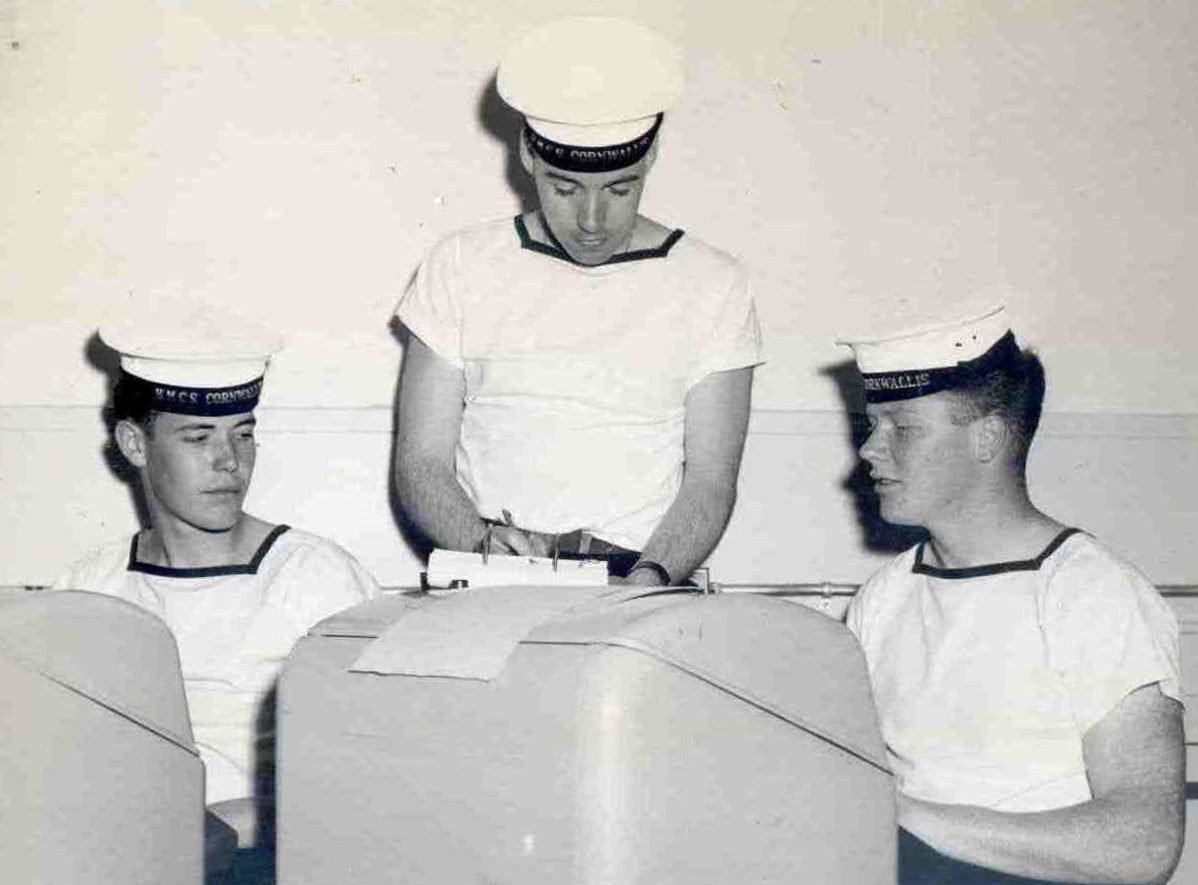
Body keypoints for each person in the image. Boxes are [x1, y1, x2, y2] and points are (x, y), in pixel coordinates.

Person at [394, 17, 763, 587]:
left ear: (651, 155)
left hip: (641, 577)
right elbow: (421, 464)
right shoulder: (461, 263)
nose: (592, 221)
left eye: (619, 188)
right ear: (528, 154)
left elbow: (711, 483)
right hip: (491, 574)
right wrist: (480, 547)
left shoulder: (714, 282)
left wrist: (647, 583)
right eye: (565, 189)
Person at [839, 305, 1184, 884]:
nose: (871, 450)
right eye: (873, 426)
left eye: (903, 427)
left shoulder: (1092, 593)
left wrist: (899, 815)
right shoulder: (884, 597)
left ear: (989, 437)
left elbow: (1143, 844)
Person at [55, 316, 380, 863]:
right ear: (134, 444)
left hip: (270, 859)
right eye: (199, 437)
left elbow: (376, 768)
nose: (230, 461)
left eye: (243, 434)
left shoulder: (317, 578)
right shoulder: (91, 586)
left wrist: (233, 825)